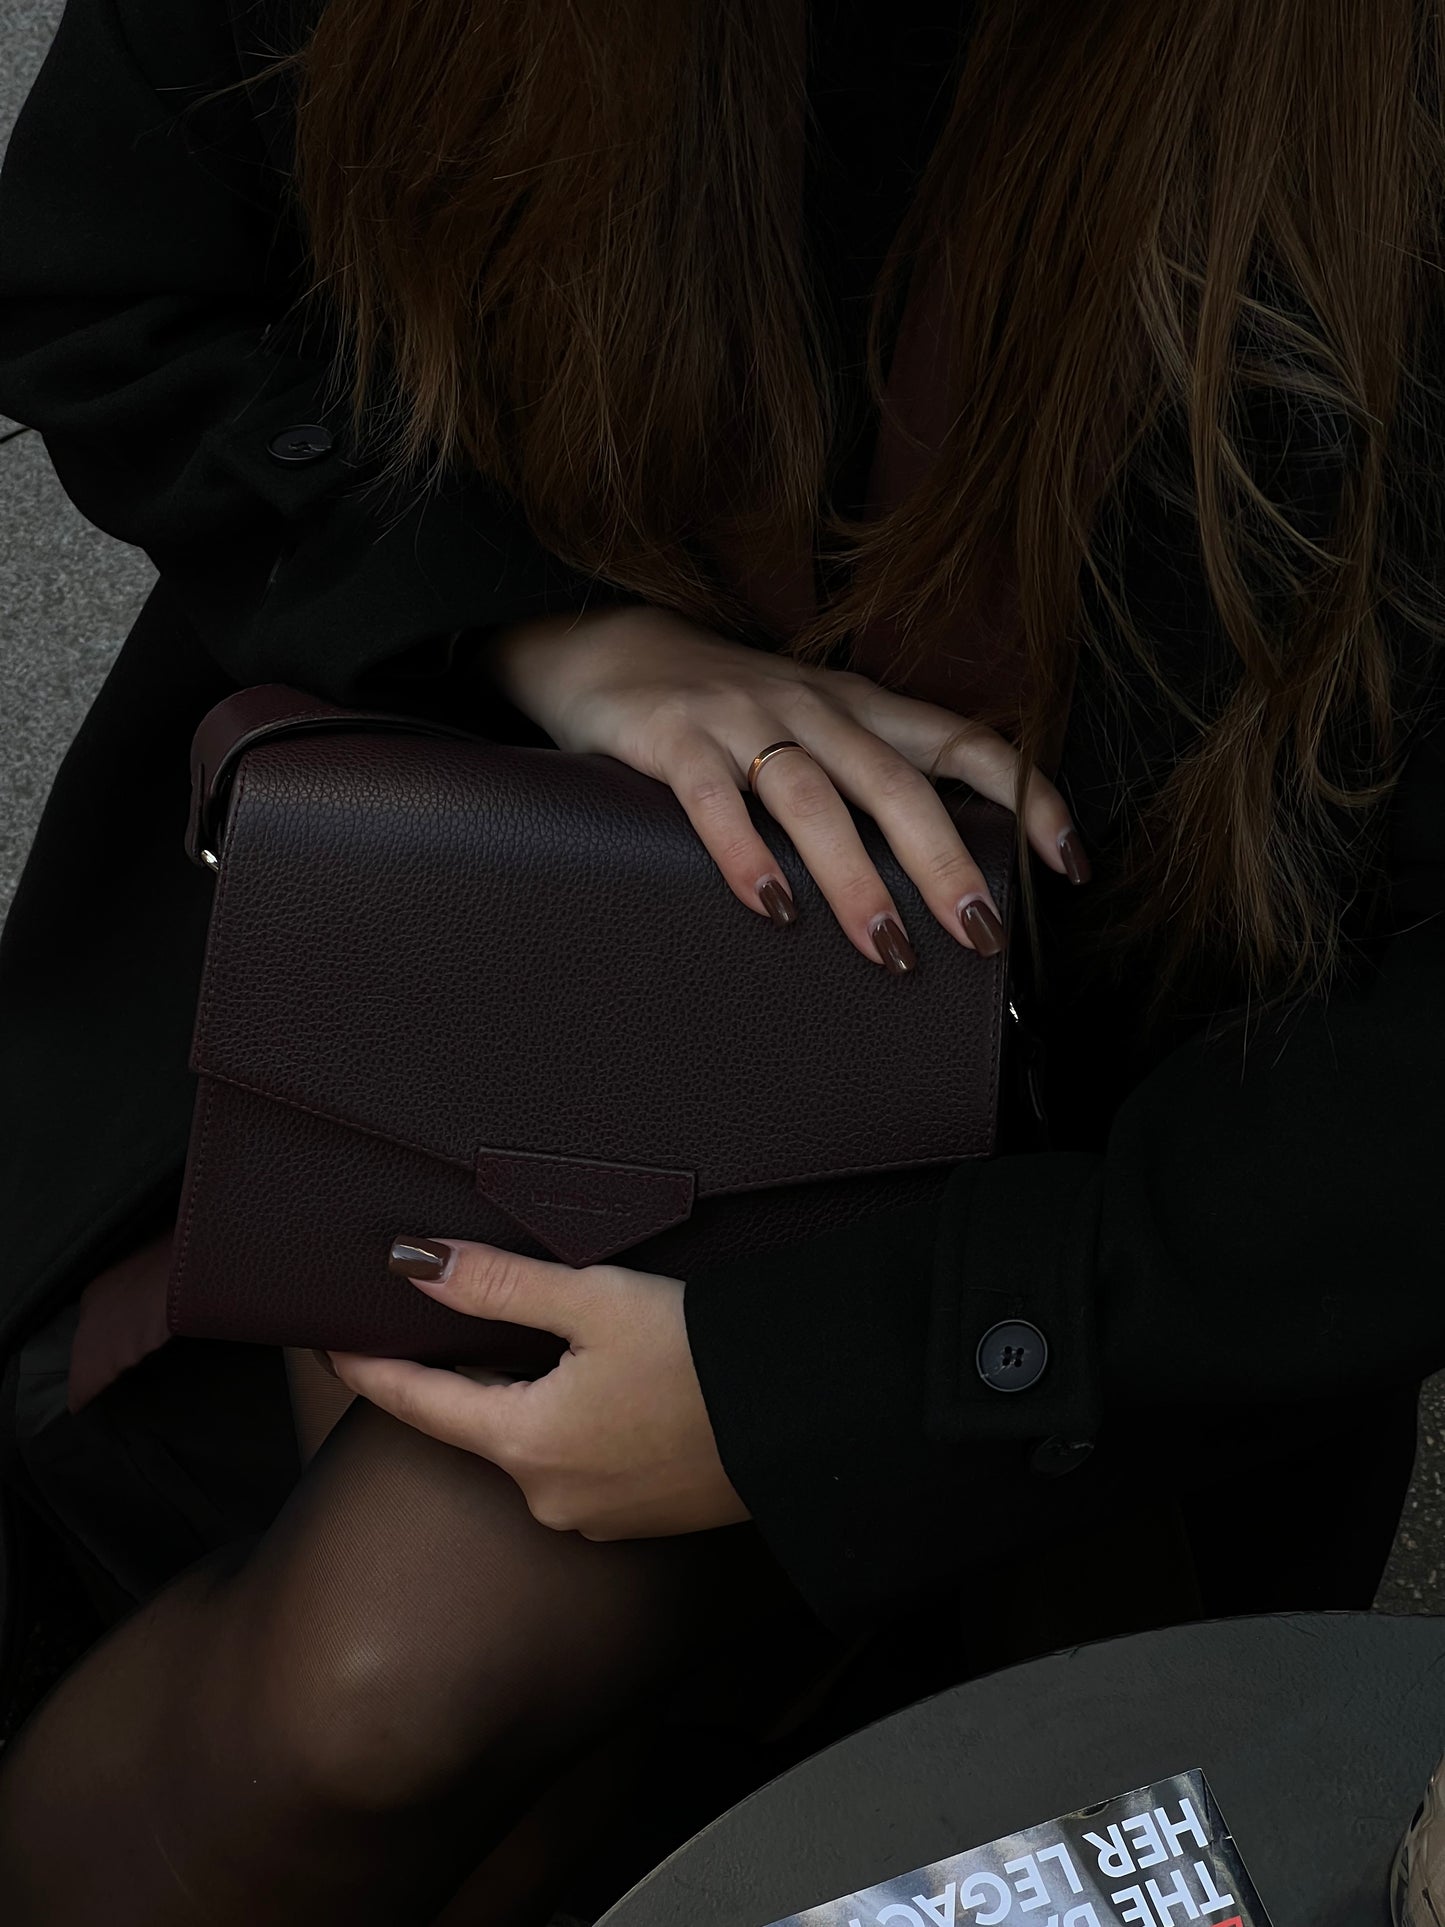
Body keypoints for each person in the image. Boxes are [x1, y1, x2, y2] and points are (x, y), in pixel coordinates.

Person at [0, 0, 1442, 1920]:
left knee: (414, 1692)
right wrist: (540, 629)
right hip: (404, 963)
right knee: (372, 1692)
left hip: (1120, 1218)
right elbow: (109, 286)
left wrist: (834, 1390)